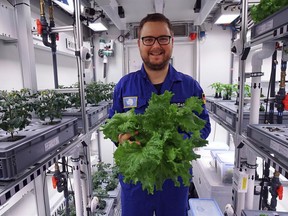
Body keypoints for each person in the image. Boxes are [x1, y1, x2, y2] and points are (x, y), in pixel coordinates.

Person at [109, 13, 211, 216]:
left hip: (174, 180)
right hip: (136, 181)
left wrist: (175, 143)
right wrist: (122, 138)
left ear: (172, 42)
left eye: (163, 38)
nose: (156, 45)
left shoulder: (190, 86)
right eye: (148, 39)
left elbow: (204, 127)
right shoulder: (124, 85)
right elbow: (112, 125)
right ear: (139, 44)